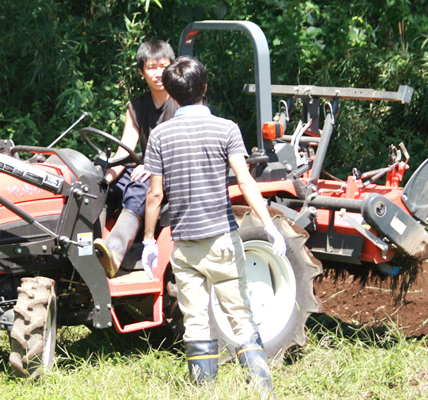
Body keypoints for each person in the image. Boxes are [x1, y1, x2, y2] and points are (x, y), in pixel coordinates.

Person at [141, 56, 285, 397]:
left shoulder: (160, 134)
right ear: (205, 87)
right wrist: (269, 226)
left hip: (185, 244)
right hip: (222, 239)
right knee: (240, 314)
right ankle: (261, 390)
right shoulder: (226, 128)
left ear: (173, 95)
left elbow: (155, 194)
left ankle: (204, 392)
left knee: (196, 322)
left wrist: (148, 240)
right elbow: (246, 181)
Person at [94, 39, 179, 278]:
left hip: (172, 174)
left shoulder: (182, 101)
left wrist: (153, 167)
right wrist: (103, 179)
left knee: (138, 187)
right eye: (151, 67)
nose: (158, 73)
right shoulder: (136, 106)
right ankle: (87, 246)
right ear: (141, 71)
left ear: (172, 67)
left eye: (163, 66)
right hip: (143, 169)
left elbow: (183, 148)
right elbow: (125, 152)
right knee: (99, 187)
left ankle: (114, 253)